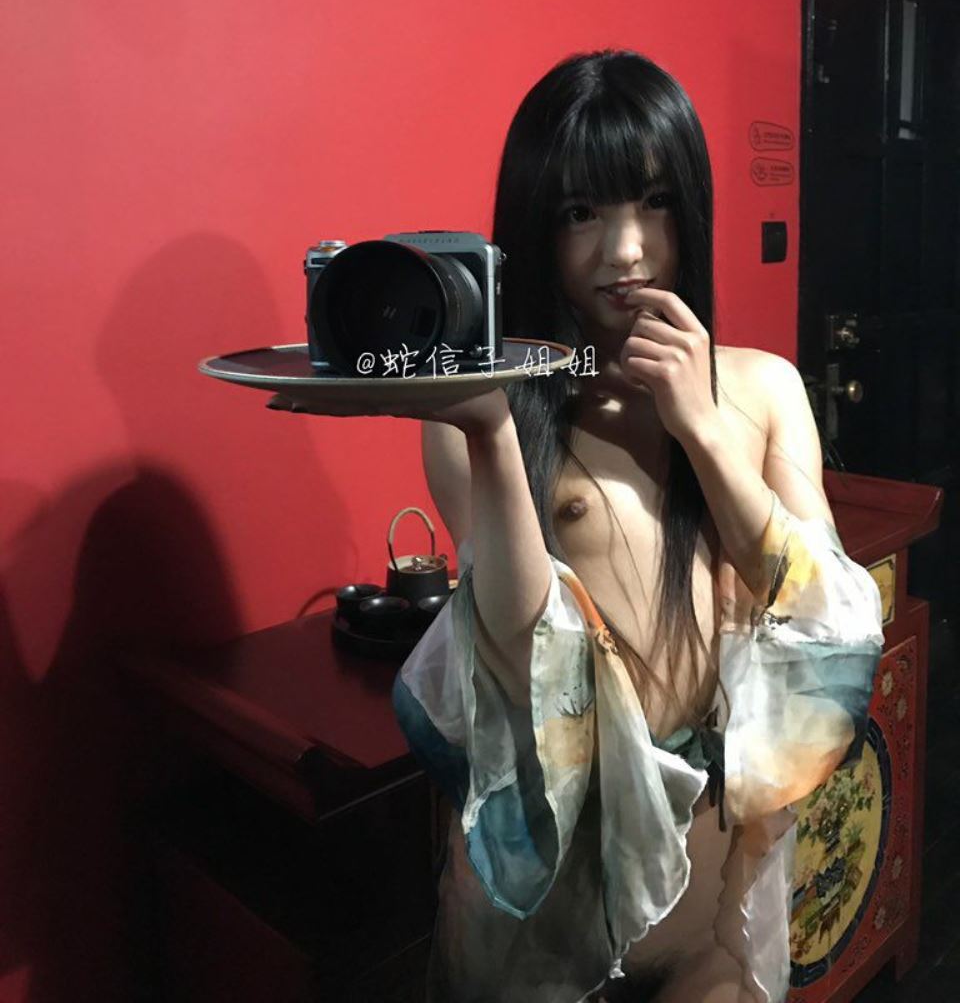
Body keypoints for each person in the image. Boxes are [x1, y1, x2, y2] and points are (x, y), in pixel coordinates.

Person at [276, 50, 884, 1002]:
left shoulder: (764, 386)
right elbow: (520, 660)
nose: (625, 251)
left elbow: (828, 614)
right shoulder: (494, 410)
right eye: (580, 213)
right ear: (534, 225)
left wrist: (702, 429)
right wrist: (487, 428)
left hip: (710, 882)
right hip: (544, 909)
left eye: (654, 202)